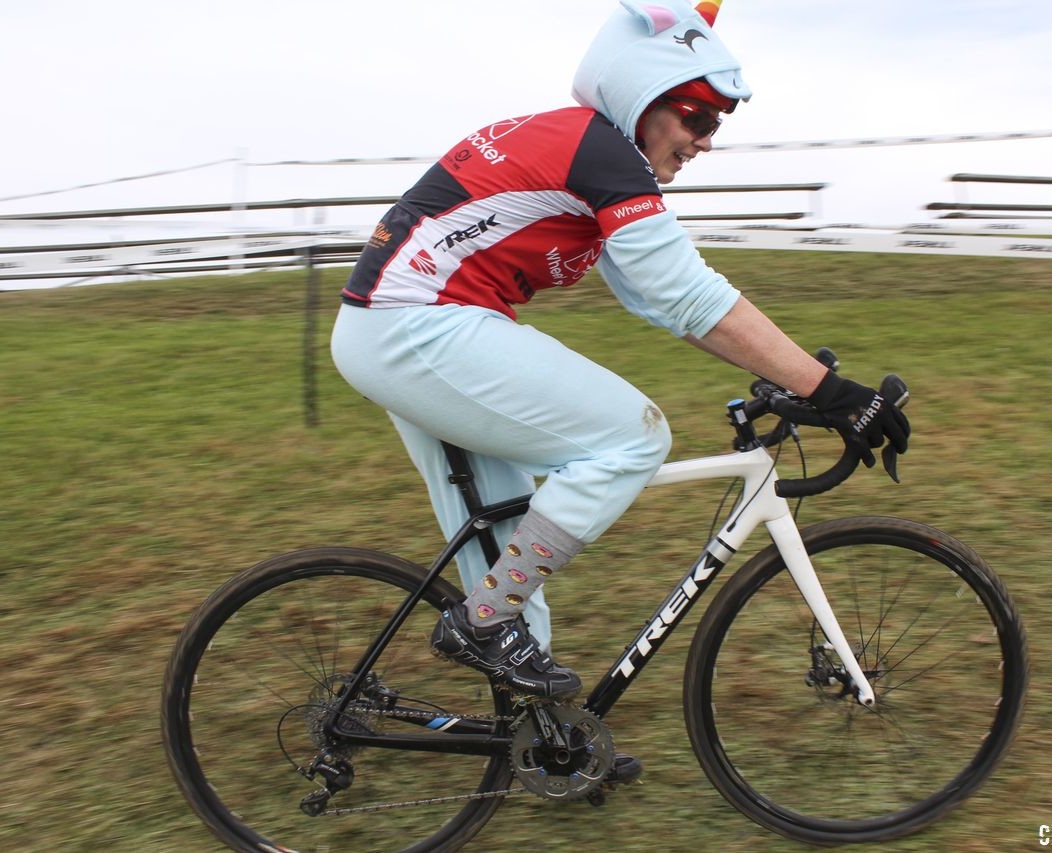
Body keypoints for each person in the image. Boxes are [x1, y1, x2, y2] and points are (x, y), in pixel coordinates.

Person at [331, 0, 907, 711]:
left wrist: (789, 376)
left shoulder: (586, 151)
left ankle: (548, 746)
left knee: (509, 560)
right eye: (695, 117)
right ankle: (481, 625)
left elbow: (667, 306)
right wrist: (833, 391)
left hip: (398, 330)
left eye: (716, 124)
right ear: (641, 100)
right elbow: (694, 298)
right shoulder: (602, 153)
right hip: (415, 326)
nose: (703, 141)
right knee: (632, 436)